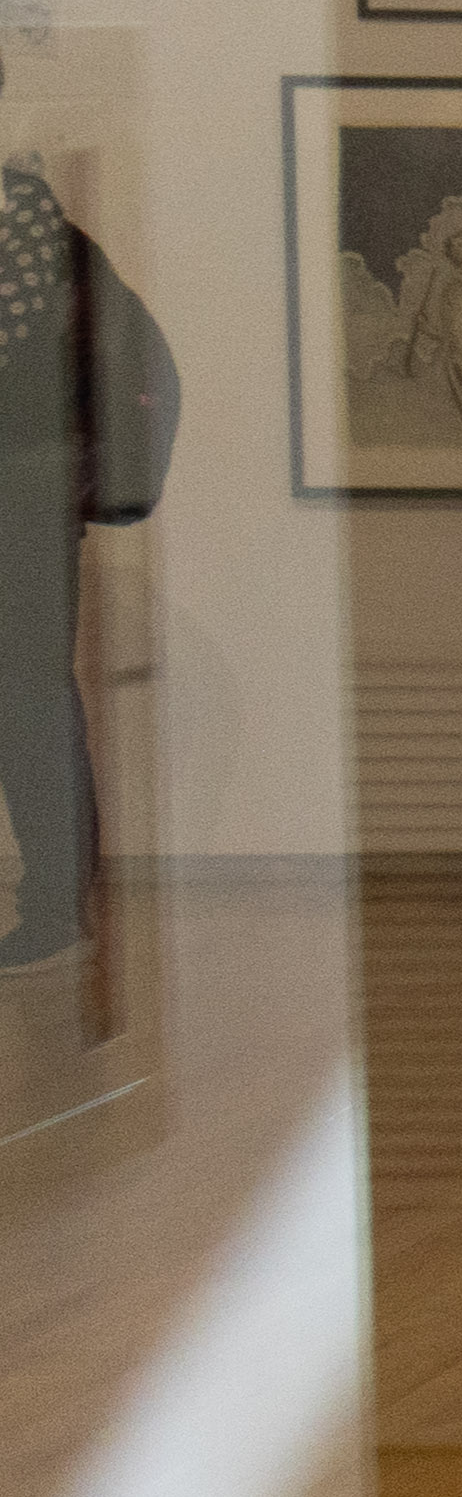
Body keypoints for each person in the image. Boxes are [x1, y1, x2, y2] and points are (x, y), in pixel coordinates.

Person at [2, 143, 178, 983]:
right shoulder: (48, 230)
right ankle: (56, 907)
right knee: (31, 705)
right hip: (34, 506)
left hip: (23, 506)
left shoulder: (28, 230)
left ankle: (56, 908)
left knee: (29, 707)